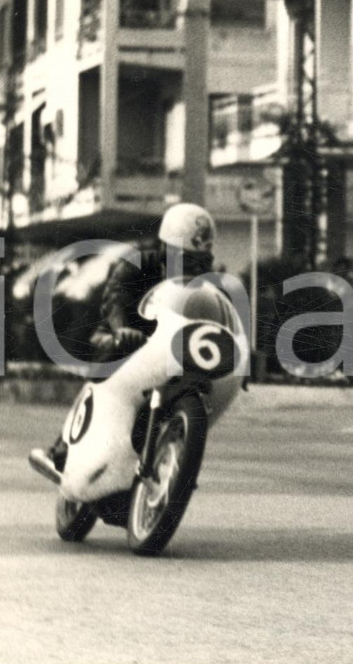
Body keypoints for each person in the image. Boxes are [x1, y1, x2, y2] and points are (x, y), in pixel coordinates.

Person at [33, 202, 217, 471]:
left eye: (201, 262)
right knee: (111, 354)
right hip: (125, 339)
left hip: (173, 351)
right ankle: (62, 445)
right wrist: (121, 329)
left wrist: (238, 355)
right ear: (166, 249)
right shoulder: (137, 264)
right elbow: (115, 298)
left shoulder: (209, 286)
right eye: (186, 259)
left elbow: (222, 318)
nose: (193, 269)